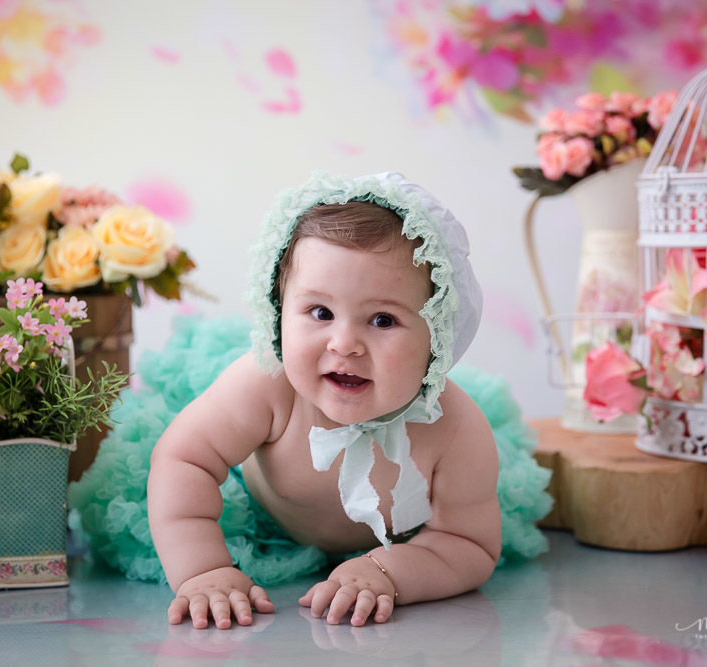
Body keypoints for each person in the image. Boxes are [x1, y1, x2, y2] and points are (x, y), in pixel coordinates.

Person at [147, 171, 502, 629]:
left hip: (399, 542)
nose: (344, 343)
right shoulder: (268, 385)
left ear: (438, 333)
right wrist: (203, 570)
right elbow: (183, 459)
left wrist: (387, 570)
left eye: (382, 319)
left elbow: (468, 545)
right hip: (262, 525)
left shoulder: (455, 429)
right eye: (320, 312)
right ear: (279, 311)